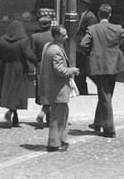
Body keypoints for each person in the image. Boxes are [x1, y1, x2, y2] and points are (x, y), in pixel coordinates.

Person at [80, 3, 124, 138]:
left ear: (99, 15)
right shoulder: (117, 28)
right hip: (113, 65)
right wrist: (119, 47)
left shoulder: (93, 29)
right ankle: (97, 123)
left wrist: (90, 52)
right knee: (106, 95)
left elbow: (83, 44)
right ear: (109, 15)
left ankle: (109, 128)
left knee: (105, 96)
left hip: (99, 65)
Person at [38, 24, 79, 152]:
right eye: (64, 35)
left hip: (52, 87)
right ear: (56, 36)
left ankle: (61, 139)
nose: (66, 37)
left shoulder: (48, 46)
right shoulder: (56, 50)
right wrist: (71, 70)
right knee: (57, 117)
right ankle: (54, 143)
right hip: (58, 88)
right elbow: (59, 70)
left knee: (62, 114)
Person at [0, 18, 37, 128]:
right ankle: (14, 113)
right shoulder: (24, 41)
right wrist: (37, 61)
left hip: (6, 67)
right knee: (18, 90)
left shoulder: (2, 40)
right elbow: (29, 55)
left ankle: (12, 111)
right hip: (19, 68)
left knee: (9, 89)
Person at [29, 10, 56, 128]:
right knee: (52, 89)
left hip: (40, 65)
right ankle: (45, 113)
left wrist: (36, 62)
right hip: (52, 64)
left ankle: (48, 116)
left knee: (43, 89)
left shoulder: (34, 37)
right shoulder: (54, 36)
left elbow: (32, 53)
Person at [73, 0, 97, 96]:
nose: (77, 5)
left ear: (84, 4)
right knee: (81, 70)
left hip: (85, 49)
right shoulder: (83, 15)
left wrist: (87, 47)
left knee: (84, 71)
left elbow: (92, 33)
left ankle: (83, 90)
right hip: (80, 48)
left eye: (79, 3)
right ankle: (81, 89)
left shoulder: (90, 17)